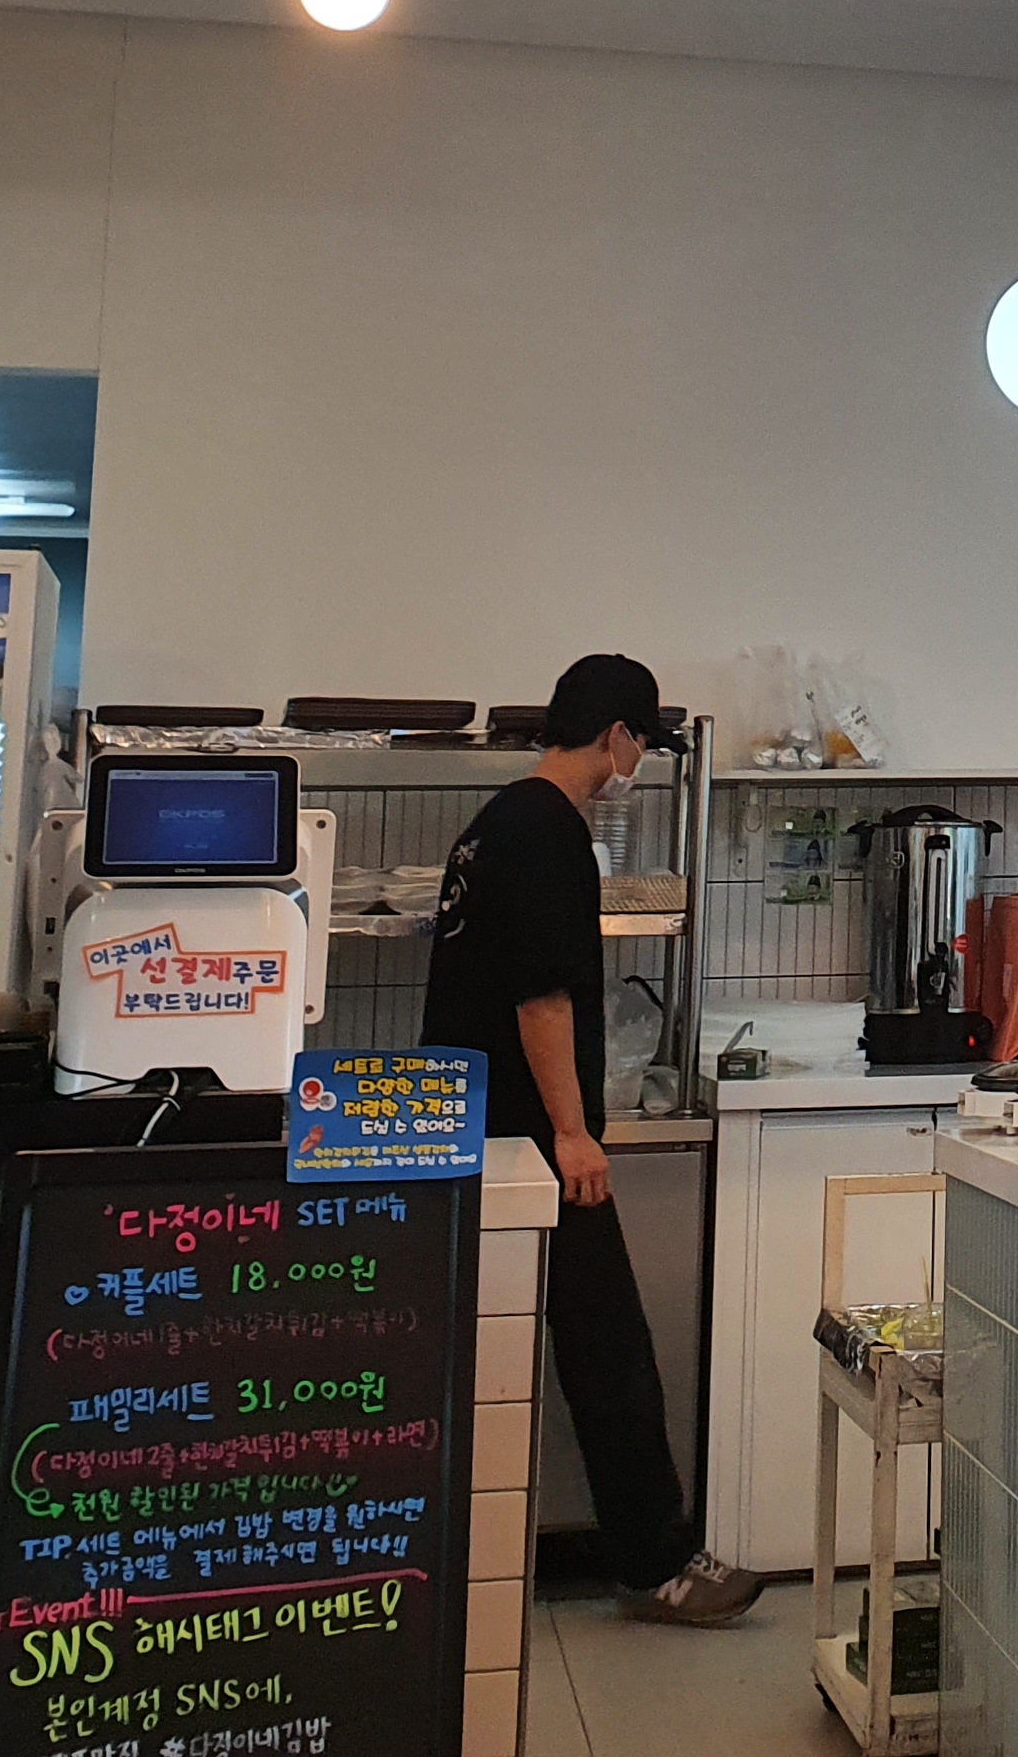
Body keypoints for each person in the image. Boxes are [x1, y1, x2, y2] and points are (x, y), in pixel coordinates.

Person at [423, 654, 759, 1626]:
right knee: (610, 1353)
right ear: (616, 735)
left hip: (476, 1131)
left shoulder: (496, 824)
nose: (638, 762)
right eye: (641, 742)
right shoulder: (549, 831)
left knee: (544, 1347)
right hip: (531, 1142)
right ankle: (658, 1565)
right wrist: (572, 1133)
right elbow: (542, 998)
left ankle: (610, 1556)